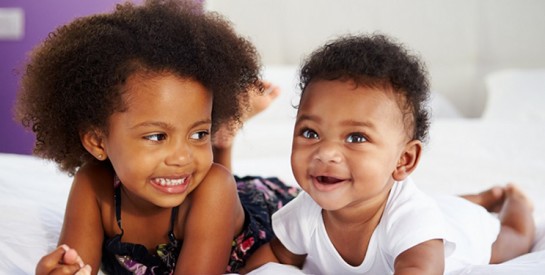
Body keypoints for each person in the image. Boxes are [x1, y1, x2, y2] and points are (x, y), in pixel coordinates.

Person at [15, 0, 297, 274]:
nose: (182, 156)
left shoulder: (214, 190)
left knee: (218, 178)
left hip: (251, 205)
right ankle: (221, 137)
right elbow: (79, 265)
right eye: (156, 136)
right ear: (98, 141)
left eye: (200, 133)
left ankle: (223, 138)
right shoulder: (92, 186)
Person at [241, 34, 535, 274]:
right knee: (439, 203)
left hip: (463, 228)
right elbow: (276, 256)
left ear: (403, 160)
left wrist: (515, 211)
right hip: (435, 206)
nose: (326, 152)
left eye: (356, 137)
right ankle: (482, 196)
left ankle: (512, 199)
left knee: (512, 240)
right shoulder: (305, 211)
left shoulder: (412, 221)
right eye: (310, 133)